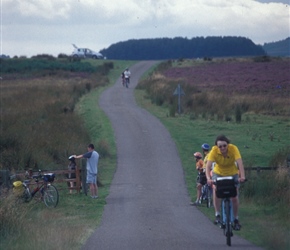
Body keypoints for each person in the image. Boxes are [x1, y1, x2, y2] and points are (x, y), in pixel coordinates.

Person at [205, 135, 246, 230]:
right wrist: (208, 178)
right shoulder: (214, 151)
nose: (223, 148)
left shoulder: (233, 149)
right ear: (217, 146)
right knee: (215, 190)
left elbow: (240, 163)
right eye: (220, 146)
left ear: (228, 144)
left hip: (232, 173)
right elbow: (208, 166)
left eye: (224, 145)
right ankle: (217, 215)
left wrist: (242, 176)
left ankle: (236, 219)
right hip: (218, 173)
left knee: (234, 197)